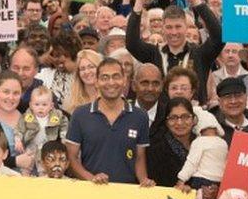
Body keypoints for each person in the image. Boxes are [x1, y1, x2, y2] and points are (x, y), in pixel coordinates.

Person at [126, 0, 223, 104]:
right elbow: (131, 43)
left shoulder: (200, 54)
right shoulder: (154, 53)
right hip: (162, 119)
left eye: (178, 27)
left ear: (186, 27)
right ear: (162, 29)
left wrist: (197, 1)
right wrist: (139, 2)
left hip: (195, 117)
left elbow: (219, 37)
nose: (174, 32)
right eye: (169, 27)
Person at [67, 58, 154, 186]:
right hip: (91, 193)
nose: (111, 82)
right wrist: (92, 179)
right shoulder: (80, 115)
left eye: (116, 76)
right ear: (96, 82)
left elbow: (139, 157)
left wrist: (144, 181)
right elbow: (71, 157)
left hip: (127, 193)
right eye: (105, 77)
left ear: (124, 80)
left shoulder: (140, 116)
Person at [14, 85, 68, 176]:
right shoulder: (27, 117)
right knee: (25, 167)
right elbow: (19, 129)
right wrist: (18, 140)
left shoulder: (57, 115)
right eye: (37, 104)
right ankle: (24, 180)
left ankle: (43, 180)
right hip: (31, 146)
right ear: (31, 105)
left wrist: (63, 137)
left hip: (47, 148)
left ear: (51, 106)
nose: (40, 108)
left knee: (44, 168)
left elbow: (64, 124)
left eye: (44, 105)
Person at [212, 77, 248, 145]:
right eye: (228, 97)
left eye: (238, 96)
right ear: (219, 102)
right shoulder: (213, 129)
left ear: (246, 97)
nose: (233, 101)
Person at [62, 49, 100, 114]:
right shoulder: (70, 102)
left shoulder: (109, 97)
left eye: (91, 67)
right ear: (78, 73)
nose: (87, 72)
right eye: (82, 69)